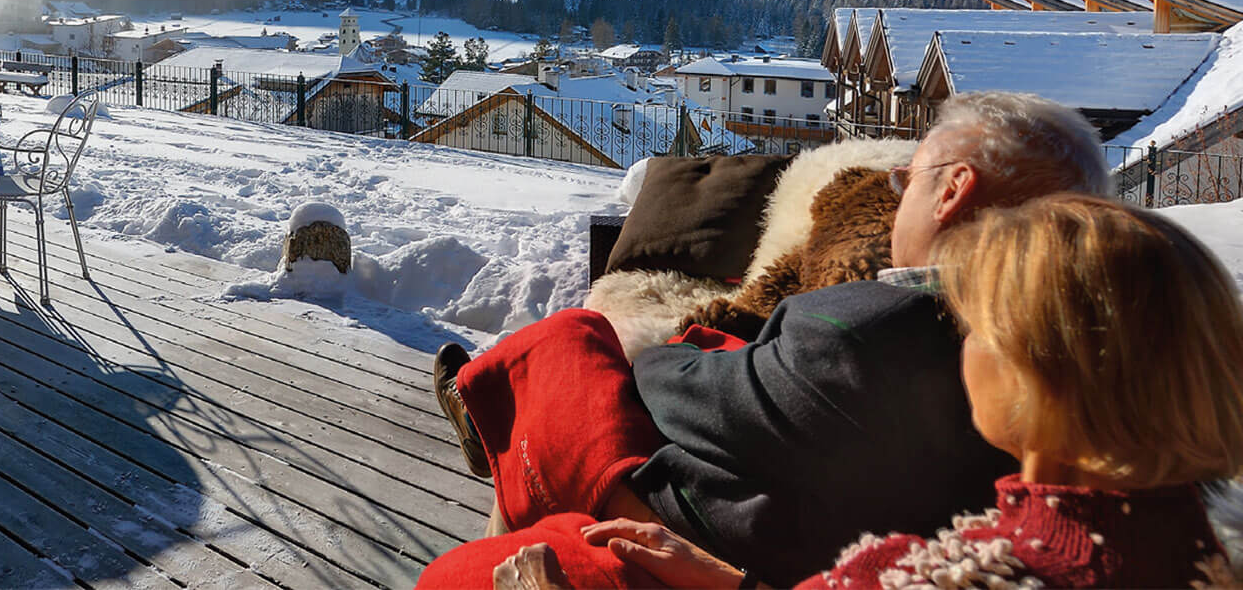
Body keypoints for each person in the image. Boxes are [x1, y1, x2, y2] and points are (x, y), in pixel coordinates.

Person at [424, 92, 1114, 586]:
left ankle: (505, 434)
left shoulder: (879, 323)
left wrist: (675, 353)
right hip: (779, 525)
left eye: (907, 178)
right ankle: (497, 424)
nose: (898, 193)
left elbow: (683, 395)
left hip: (704, 524)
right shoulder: (1081, 358)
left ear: (954, 191)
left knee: (574, 340)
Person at [487, 194, 1243, 589]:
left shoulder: (956, 572)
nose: (960, 342)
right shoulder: (1196, 552)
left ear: (1030, 376)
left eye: (976, 324)